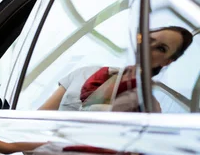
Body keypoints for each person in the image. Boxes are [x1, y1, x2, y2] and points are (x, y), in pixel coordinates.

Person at [38, 26, 193, 112]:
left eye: (161, 48)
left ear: (167, 61)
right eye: (149, 39)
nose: (148, 47)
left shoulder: (147, 107)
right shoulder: (86, 72)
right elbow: (39, 122)